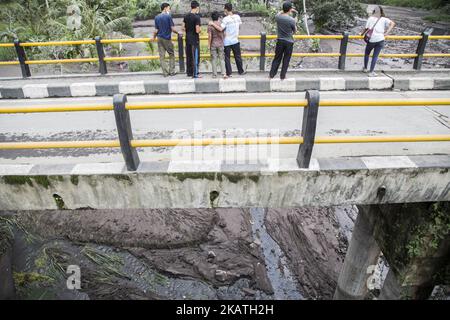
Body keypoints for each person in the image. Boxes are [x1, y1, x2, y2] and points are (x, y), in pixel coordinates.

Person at [209, 3, 245, 77]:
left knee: (227, 58)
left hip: (227, 41)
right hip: (235, 40)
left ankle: (229, 73)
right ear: (232, 8)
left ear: (225, 9)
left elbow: (220, 29)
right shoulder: (237, 17)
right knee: (238, 56)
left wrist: (212, 24)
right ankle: (241, 71)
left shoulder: (225, 19)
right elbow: (239, 27)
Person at [361, 5, 395, 77]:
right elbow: (392, 24)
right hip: (380, 39)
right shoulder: (384, 19)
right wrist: (386, 33)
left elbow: (366, 28)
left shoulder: (370, 18)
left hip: (371, 39)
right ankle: (371, 72)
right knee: (375, 56)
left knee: (367, 53)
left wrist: (362, 34)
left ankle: (365, 68)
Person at [269, 2, 297, 80]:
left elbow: (279, 13)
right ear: (290, 9)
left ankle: (271, 75)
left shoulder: (278, 17)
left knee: (277, 58)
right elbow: (295, 31)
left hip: (280, 41)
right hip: (289, 42)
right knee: (286, 59)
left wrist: (284, 10)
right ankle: (282, 76)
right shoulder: (291, 20)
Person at [153, 3, 180, 77]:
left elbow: (156, 30)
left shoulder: (157, 17)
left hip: (159, 38)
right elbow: (172, 29)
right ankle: (171, 71)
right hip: (167, 39)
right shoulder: (168, 17)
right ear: (165, 8)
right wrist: (179, 32)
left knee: (162, 56)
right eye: (168, 8)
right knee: (171, 54)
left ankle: (165, 73)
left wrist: (153, 37)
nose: (169, 9)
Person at [183, 1, 202, 78]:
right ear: (197, 7)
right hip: (194, 39)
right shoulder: (197, 17)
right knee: (195, 56)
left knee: (189, 56)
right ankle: (195, 73)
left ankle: (189, 72)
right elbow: (197, 30)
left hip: (187, 38)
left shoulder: (186, 16)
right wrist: (200, 30)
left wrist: (188, 30)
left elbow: (182, 27)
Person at [208, 11, 227, 78]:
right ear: (218, 17)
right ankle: (223, 73)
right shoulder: (221, 24)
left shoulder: (210, 26)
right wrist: (222, 40)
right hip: (221, 44)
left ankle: (214, 74)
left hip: (213, 44)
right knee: (222, 59)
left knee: (214, 59)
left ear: (212, 18)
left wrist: (208, 45)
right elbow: (224, 34)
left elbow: (210, 36)